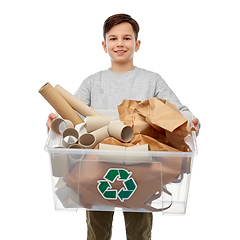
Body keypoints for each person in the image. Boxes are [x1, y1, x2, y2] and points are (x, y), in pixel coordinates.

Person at [46, 13, 200, 240]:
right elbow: (74, 118)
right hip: (98, 162)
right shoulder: (92, 82)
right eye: (113, 38)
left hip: (142, 164)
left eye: (127, 38)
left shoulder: (152, 80)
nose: (120, 43)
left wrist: (190, 122)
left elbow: (178, 110)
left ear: (137, 44)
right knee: (97, 226)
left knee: (140, 229)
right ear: (104, 45)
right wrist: (56, 124)